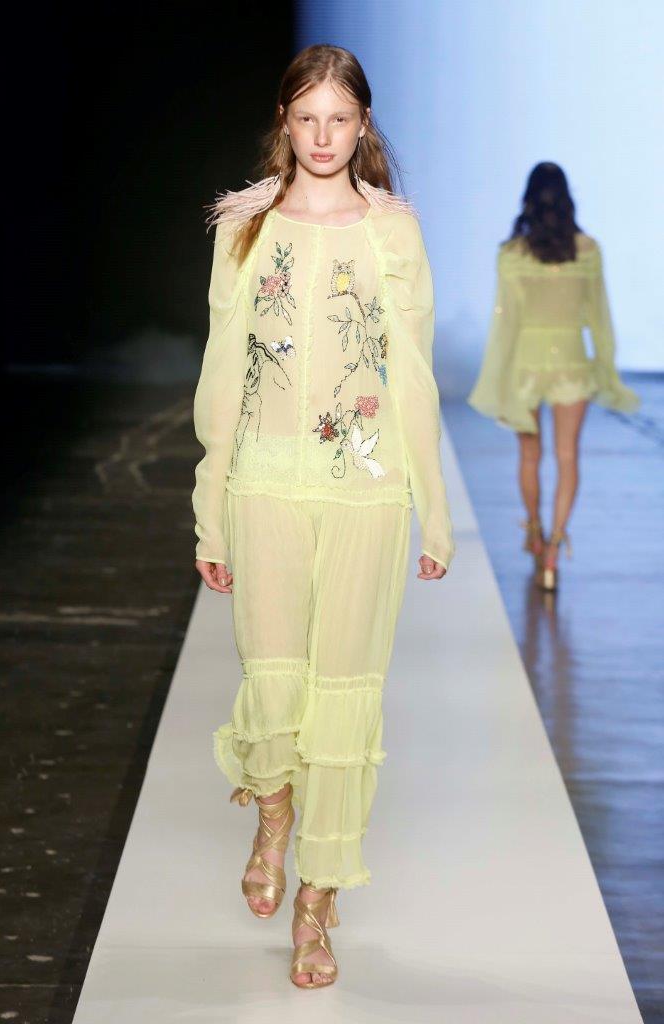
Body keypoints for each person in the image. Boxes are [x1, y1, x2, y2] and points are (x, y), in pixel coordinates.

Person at [192, 44, 454, 988]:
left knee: (344, 697)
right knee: (271, 685)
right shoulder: (246, 228)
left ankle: (316, 902)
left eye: (340, 118)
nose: (323, 136)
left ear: (362, 125)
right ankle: (272, 816)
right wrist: (209, 511)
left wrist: (433, 512)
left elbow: (413, 375)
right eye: (307, 118)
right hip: (263, 484)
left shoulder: (394, 234)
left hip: (364, 491)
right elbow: (223, 375)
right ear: (285, 122)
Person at [468, 162, 638, 590]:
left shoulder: (512, 254)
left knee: (530, 457)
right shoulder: (588, 250)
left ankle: (534, 532)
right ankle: (554, 552)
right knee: (567, 457)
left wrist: (498, 376)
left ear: (528, 198)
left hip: (525, 364)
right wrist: (605, 366)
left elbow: (505, 323)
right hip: (572, 365)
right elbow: (599, 318)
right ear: (567, 198)